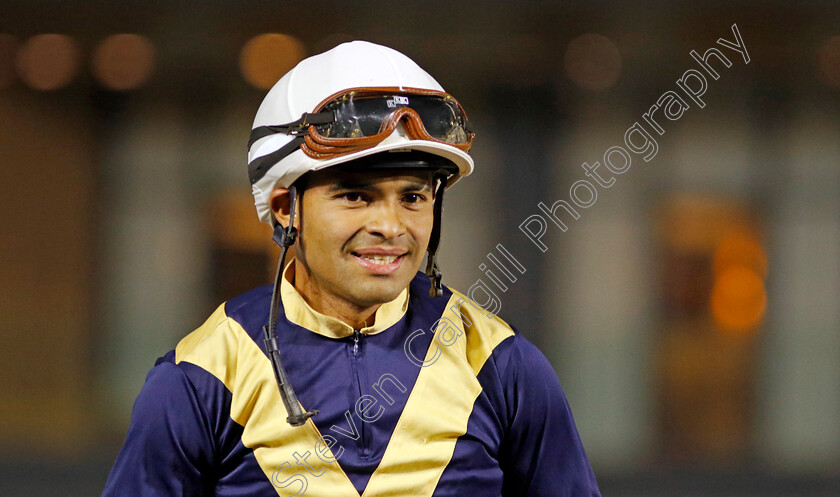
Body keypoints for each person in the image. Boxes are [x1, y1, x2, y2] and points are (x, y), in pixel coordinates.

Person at [102, 40, 601, 497]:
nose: (390, 225)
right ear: (283, 207)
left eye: (413, 197)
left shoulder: (502, 364)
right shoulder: (201, 376)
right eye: (355, 195)